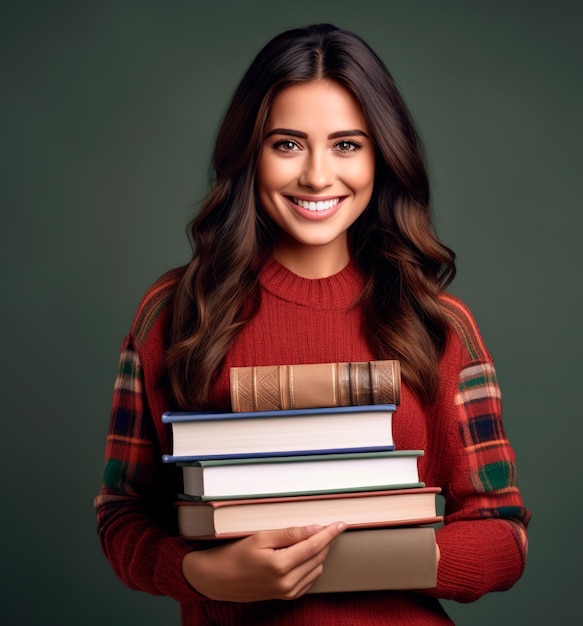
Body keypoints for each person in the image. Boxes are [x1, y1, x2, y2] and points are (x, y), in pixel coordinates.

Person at [95, 23, 530, 625]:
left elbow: (503, 534)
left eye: (347, 145)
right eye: (288, 144)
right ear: (250, 153)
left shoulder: (440, 325)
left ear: (383, 154)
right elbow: (121, 514)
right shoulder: (172, 313)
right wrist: (204, 574)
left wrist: (375, 558)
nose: (318, 177)